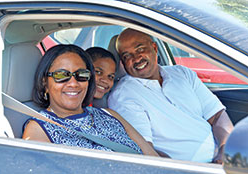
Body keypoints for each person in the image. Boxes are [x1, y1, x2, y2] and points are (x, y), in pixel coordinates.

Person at [108, 28, 234, 163]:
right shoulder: (125, 94)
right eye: (127, 56)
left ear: (154, 48)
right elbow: (145, 150)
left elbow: (217, 115)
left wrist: (224, 150)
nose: (136, 59)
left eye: (140, 49)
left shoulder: (182, 73)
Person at [22, 44, 159, 156]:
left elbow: (153, 159)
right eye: (62, 75)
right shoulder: (39, 128)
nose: (73, 83)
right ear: (45, 82)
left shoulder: (110, 115)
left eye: (81, 74)